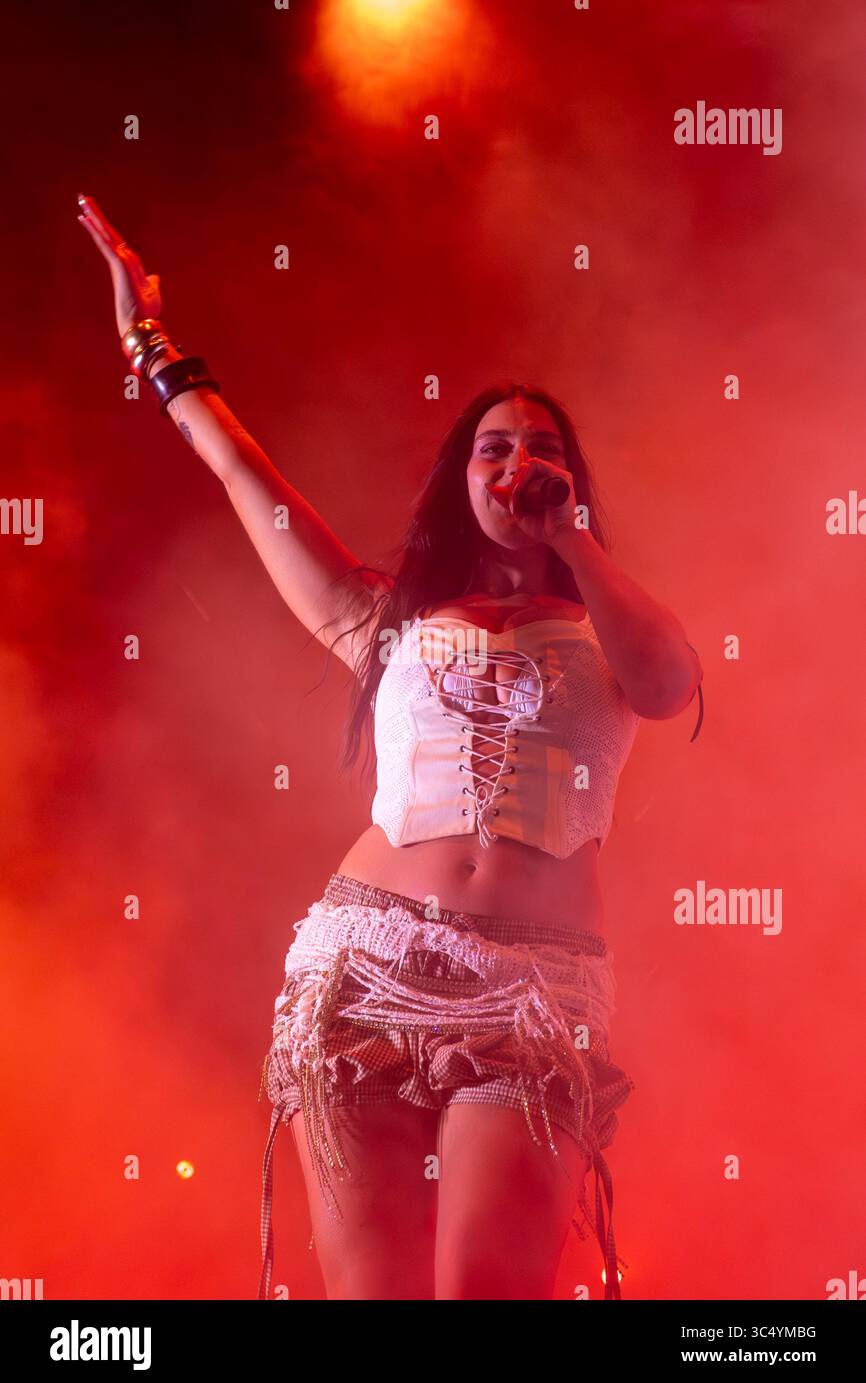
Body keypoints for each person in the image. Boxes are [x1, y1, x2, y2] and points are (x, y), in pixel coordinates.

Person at [78, 192, 704, 1302]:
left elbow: (667, 685)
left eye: (543, 450)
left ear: (572, 483)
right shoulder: (387, 621)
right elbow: (245, 481)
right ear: (460, 483)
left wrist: (570, 538)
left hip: (530, 990)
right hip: (358, 968)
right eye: (493, 448)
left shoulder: (610, 625)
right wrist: (150, 341)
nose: (517, 462)